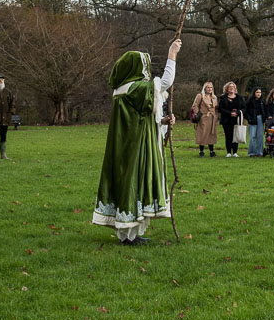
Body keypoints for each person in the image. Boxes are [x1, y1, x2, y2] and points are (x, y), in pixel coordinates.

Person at [92, 39, 180, 244]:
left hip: (127, 146)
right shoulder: (133, 89)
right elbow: (165, 82)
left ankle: (131, 234)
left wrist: (163, 121)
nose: (147, 72)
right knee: (133, 183)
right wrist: (172, 54)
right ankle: (127, 236)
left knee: (130, 184)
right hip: (134, 148)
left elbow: (142, 117)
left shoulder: (124, 91)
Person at [217, 81, 244, 157]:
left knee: (236, 136)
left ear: (235, 88)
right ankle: (228, 152)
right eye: (230, 87)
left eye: (233, 87)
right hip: (226, 120)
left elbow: (244, 108)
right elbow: (220, 109)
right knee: (228, 136)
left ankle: (235, 152)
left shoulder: (240, 97)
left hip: (237, 119)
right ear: (227, 89)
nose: (231, 88)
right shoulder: (223, 98)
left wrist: (238, 113)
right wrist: (230, 113)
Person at [191, 82, 218, 157]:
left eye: (211, 87)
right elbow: (195, 105)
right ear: (205, 88)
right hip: (204, 117)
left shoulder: (214, 97)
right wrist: (197, 114)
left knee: (211, 134)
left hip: (212, 117)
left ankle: (212, 151)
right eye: (208, 87)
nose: (210, 89)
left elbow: (215, 108)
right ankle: (201, 151)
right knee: (203, 133)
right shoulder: (200, 96)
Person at [244, 86, 267, 157]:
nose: (259, 94)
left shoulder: (262, 101)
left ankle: (259, 152)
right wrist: (249, 119)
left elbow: (265, 111)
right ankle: (251, 152)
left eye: (260, 92)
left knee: (260, 137)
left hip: (260, 119)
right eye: (257, 92)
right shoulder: (249, 101)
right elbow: (245, 112)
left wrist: (265, 118)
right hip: (252, 120)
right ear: (254, 93)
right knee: (252, 137)